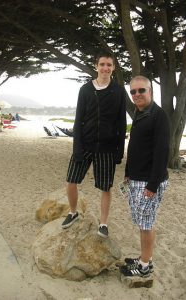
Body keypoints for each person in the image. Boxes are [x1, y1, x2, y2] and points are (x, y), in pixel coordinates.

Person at [61, 51, 127, 238]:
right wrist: (76, 147)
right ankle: (73, 212)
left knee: (106, 187)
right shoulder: (85, 89)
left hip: (107, 148)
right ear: (96, 66)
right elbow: (78, 119)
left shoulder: (118, 91)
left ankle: (104, 223)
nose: (105, 68)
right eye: (102, 64)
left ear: (113, 68)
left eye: (109, 65)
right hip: (85, 145)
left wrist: (119, 151)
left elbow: (121, 122)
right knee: (71, 181)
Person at [119, 75, 170, 278]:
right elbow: (135, 148)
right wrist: (128, 173)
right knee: (142, 222)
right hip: (137, 179)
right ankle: (144, 258)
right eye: (133, 91)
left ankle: (144, 267)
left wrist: (153, 185)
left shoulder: (159, 116)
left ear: (150, 91)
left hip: (149, 182)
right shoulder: (140, 114)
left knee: (146, 224)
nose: (137, 94)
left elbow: (162, 152)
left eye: (141, 90)